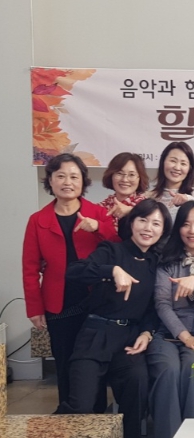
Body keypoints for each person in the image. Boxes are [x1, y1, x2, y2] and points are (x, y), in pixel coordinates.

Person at [56, 199, 172, 438]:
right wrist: (112, 270)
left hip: (128, 340)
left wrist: (147, 332)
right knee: (81, 406)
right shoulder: (111, 251)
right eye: (142, 220)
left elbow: (153, 307)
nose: (148, 228)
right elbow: (74, 271)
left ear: (162, 231)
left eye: (156, 223)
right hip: (95, 335)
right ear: (131, 223)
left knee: (137, 388)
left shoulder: (156, 263)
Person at [22, 153, 119, 409]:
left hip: (96, 300)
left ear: (83, 181)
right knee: (64, 358)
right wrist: (34, 308)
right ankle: (67, 411)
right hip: (59, 302)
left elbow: (118, 248)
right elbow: (30, 269)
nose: (68, 182)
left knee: (93, 360)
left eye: (74, 177)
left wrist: (98, 228)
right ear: (50, 181)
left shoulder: (98, 213)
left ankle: (96, 413)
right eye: (61, 176)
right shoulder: (37, 220)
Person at [146, 201, 194, 438]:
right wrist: (185, 336)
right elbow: (162, 304)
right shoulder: (167, 262)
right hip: (167, 335)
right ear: (178, 229)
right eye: (186, 224)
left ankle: (193, 434)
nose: (192, 231)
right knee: (168, 371)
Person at [147, 141, 194, 226]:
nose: (177, 167)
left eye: (183, 163)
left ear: (190, 168)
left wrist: (190, 202)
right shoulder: (149, 195)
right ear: (163, 162)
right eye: (173, 161)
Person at [99, 152, 149, 228]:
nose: (125, 179)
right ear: (111, 176)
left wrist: (132, 211)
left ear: (140, 178)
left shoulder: (148, 208)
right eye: (119, 173)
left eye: (131, 175)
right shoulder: (100, 208)